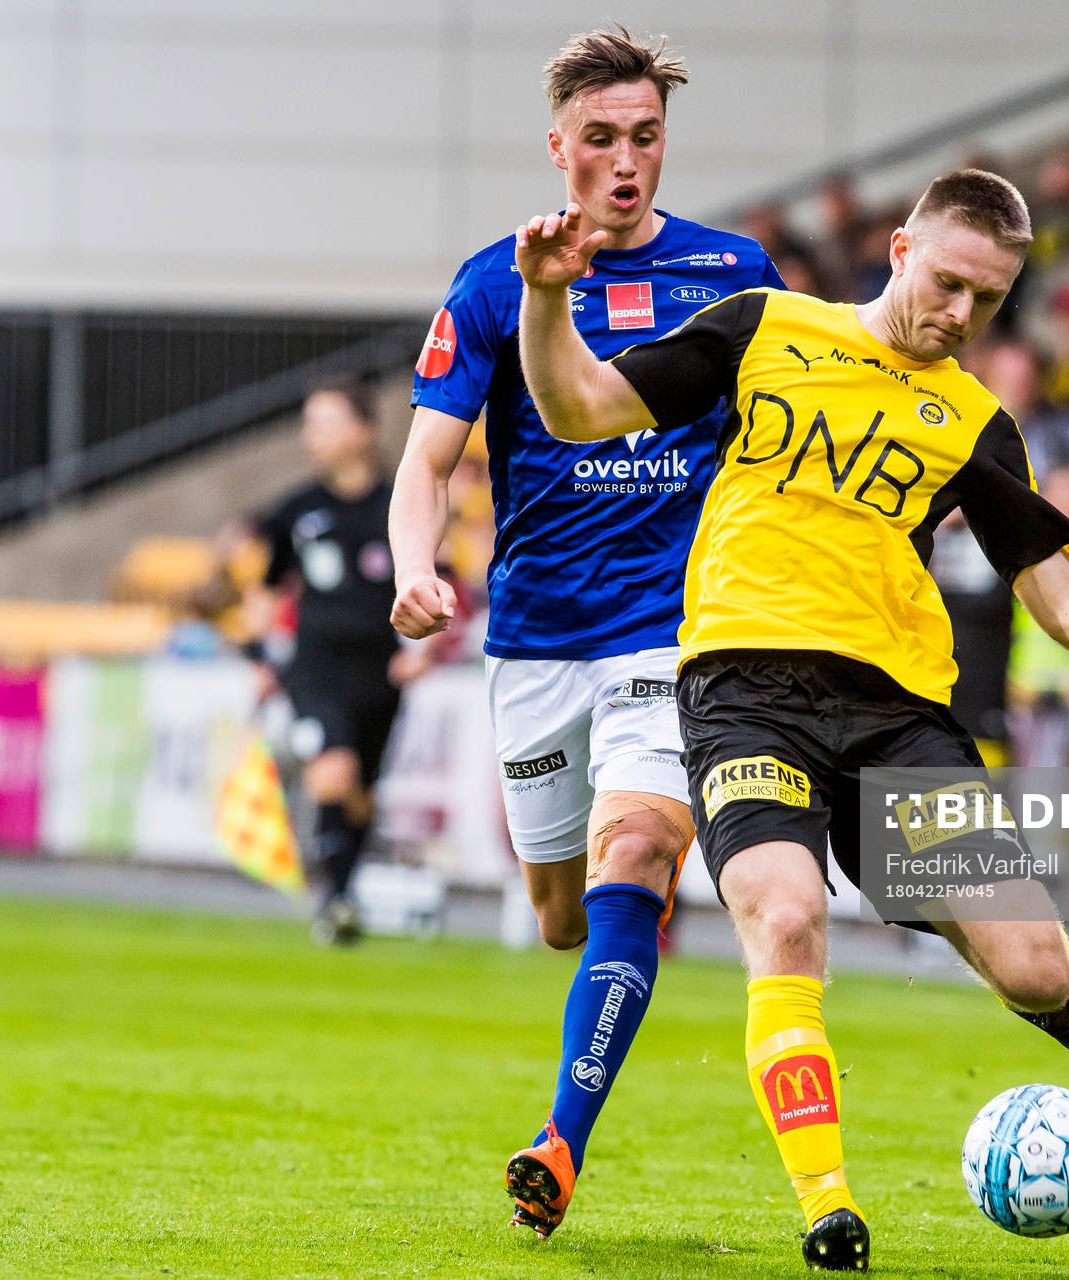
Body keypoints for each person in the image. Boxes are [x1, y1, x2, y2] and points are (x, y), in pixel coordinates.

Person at [513, 168, 1069, 1270]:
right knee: (785, 913)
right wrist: (544, 297)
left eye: (988, 301)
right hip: (746, 694)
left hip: (897, 716)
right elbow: (577, 407)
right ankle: (827, 1204)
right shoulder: (762, 328)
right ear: (901, 247)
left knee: (1038, 969)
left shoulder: (976, 425)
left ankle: (978, 940)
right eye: (949, 282)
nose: (959, 313)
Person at [385, 28, 783, 1240]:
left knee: (638, 859)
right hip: (539, 642)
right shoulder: (496, 282)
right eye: (600, 139)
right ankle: (606, 944)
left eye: (645, 138)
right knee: (563, 911)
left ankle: (561, 1139)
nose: (625, 162)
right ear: (557, 145)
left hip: (675, 631)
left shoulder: (734, 271)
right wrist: (414, 568)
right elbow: (427, 461)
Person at [247, 379, 405, 945]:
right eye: (308, 425)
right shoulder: (297, 510)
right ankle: (336, 902)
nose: (310, 437)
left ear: (363, 432)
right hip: (315, 669)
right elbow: (265, 591)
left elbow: (442, 578)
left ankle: (343, 886)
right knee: (332, 774)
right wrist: (263, 655)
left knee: (359, 791)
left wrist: (426, 654)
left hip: (381, 672)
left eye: (324, 423)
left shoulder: (400, 505)